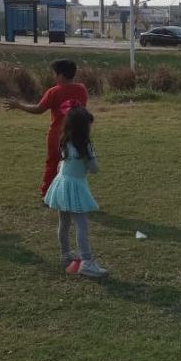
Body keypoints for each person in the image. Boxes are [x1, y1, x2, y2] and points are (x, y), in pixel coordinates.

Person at [3, 59, 88, 197]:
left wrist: (19, 105)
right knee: (71, 163)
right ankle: (68, 192)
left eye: (54, 74)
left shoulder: (54, 91)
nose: (54, 77)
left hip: (58, 135)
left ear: (61, 75)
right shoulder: (81, 89)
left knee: (52, 163)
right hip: (78, 133)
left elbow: (38, 109)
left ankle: (47, 193)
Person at [43, 104, 108, 278]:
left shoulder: (65, 141)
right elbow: (94, 169)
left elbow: (62, 163)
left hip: (61, 184)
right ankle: (87, 262)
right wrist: (92, 159)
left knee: (64, 222)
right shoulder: (85, 146)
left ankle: (65, 254)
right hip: (75, 187)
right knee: (82, 225)